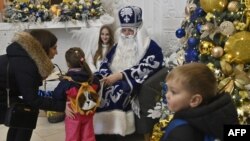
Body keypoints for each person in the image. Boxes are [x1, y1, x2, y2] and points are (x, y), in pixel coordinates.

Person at [93, 5, 165, 141]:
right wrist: (105, 76)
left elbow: (150, 65)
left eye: (130, 31)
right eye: (123, 30)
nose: (126, 34)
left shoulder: (151, 47)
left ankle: (117, 134)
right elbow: (105, 63)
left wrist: (120, 75)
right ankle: (99, 133)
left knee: (119, 90)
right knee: (95, 86)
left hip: (128, 82)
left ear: (138, 30)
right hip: (111, 78)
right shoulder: (117, 45)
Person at [0, 29, 66, 141]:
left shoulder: (25, 57)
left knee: (24, 113)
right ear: (44, 47)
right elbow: (32, 99)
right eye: (54, 48)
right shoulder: (26, 63)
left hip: (4, 93)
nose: (56, 52)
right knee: (27, 113)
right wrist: (64, 106)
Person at [161, 63, 239, 141]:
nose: (167, 95)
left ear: (195, 100)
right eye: (168, 90)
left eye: (173, 92)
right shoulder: (221, 115)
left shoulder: (182, 132)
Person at [50, 47, 100, 141]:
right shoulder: (93, 79)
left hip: (73, 114)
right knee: (88, 136)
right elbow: (97, 89)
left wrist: (64, 105)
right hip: (88, 112)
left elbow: (56, 95)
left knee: (72, 137)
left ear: (68, 63)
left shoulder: (67, 81)